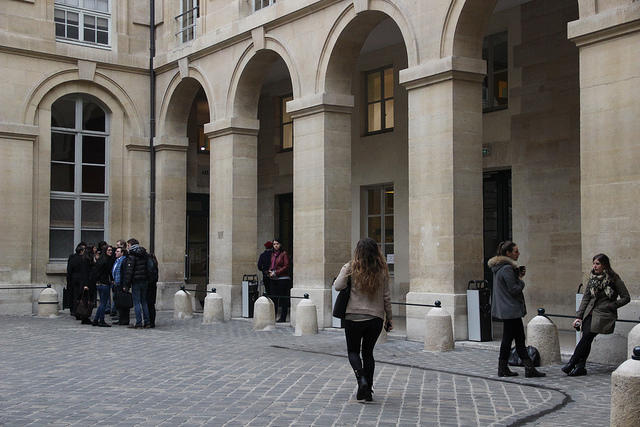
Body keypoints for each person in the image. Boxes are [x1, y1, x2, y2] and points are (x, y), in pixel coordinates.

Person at [334, 238, 392, 402]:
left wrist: (346, 272)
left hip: (353, 316)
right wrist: (390, 318)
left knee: (353, 351)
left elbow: (338, 286)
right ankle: (368, 391)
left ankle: (361, 380)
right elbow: (386, 297)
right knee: (368, 354)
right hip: (375, 318)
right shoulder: (381, 269)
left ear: (358, 251)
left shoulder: (351, 267)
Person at [562, 253, 630, 376]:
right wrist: (579, 316)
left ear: (604, 265)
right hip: (590, 313)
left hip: (604, 314)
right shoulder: (592, 278)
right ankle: (580, 367)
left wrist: (612, 305)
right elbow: (586, 298)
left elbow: (626, 297)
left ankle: (572, 362)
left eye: (597, 263)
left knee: (587, 336)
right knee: (586, 338)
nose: (594, 266)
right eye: (593, 263)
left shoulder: (614, 278)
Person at [488, 241, 545, 378]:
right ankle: (516, 368)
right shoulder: (507, 268)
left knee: (517, 338)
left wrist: (516, 275)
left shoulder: (499, 267)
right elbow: (513, 289)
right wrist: (520, 280)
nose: (518, 253)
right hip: (511, 309)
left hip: (507, 309)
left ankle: (521, 368)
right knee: (512, 339)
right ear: (508, 253)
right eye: (515, 251)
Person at [122, 238, 151, 328]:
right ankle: (147, 322)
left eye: (128, 245)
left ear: (131, 245)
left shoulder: (132, 255)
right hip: (145, 280)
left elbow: (129, 271)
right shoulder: (144, 253)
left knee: (137, 302)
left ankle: (138, 322)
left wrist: (126, 284)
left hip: (136, 281)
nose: (127, 247)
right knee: (144, 302)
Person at [91, 244, 114, 326]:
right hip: (104, 283)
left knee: (102, 303)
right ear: (105, 251)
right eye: (109, 250)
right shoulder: (106, 260)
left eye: (111, 250)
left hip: (99, 283)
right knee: (103, 303)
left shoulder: (100, 259)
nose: (110, 252)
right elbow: (108, 272)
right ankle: (101, 320)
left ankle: (96, 320)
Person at [269, 239, 291, 322]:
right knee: (274, 298)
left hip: (283, 279)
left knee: (283, 299)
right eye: (274, 244)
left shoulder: (284, 254)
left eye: (277, 244)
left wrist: (276, 272)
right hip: (273, 279)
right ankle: (273, 316)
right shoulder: (272, 254)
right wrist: (270, 272)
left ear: (280, 244)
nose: (275, 245)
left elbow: (286, 266)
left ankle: (283, 317)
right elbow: (271, 265)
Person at [66, 242, 89, 317]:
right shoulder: (83, 259)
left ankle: (73, 310)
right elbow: (85, 271)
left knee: (74, 294)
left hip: (73, 278)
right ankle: (79, 310)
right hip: (81, 279)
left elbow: (69, 270)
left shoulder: (72, 257)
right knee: (80, 295)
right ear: (81, 251)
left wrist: (68, 279)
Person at [111, 247, 130, 325]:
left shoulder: (123, 260)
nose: (115, 252)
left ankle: (124, 319)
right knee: (118, 302)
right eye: (116, 251)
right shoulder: (117, 261)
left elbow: (124, 273)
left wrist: (124, 284)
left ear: (122, 253)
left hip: (121, 284)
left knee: (123, 302)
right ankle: (121, 318)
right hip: (116, 283)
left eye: (118, 251)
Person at [146, 253, 159, 328]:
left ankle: (150, 322)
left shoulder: (150, 264)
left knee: (149, 304)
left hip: (150, 285)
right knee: (151, 304)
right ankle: (152, 321)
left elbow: (151, 275)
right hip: (153, 285)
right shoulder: (155, 263)